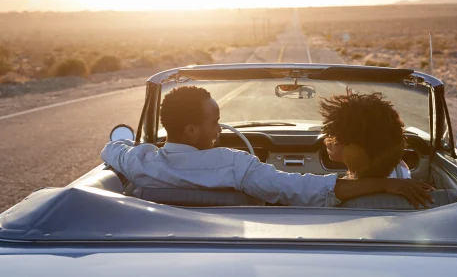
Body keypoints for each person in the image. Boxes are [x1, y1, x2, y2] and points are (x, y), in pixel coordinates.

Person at [101, 86, 433, 208]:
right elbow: (301, 189)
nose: (220, 128)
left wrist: (123, 141)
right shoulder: (235, 165)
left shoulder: (138, 160)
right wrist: (388, 184)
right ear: (190, 129)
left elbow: (112, 148)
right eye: (215, 120)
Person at [320, 91, 411, 180]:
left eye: (333, 136)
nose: (326, 140)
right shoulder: (402, 171)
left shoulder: (341, 191)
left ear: (354, 148)